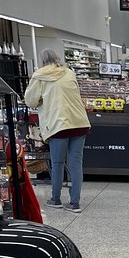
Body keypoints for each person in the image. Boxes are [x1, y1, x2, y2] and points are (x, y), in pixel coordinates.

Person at [24, 49, 91, 213]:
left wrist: (42, 99)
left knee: (58, 163)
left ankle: (55, 199)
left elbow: (30, 100)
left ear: (42, 61)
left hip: (58, 125)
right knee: (76, 164)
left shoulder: (39, 76)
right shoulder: (69, 72)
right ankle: (75, 202)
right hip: (79, 122)